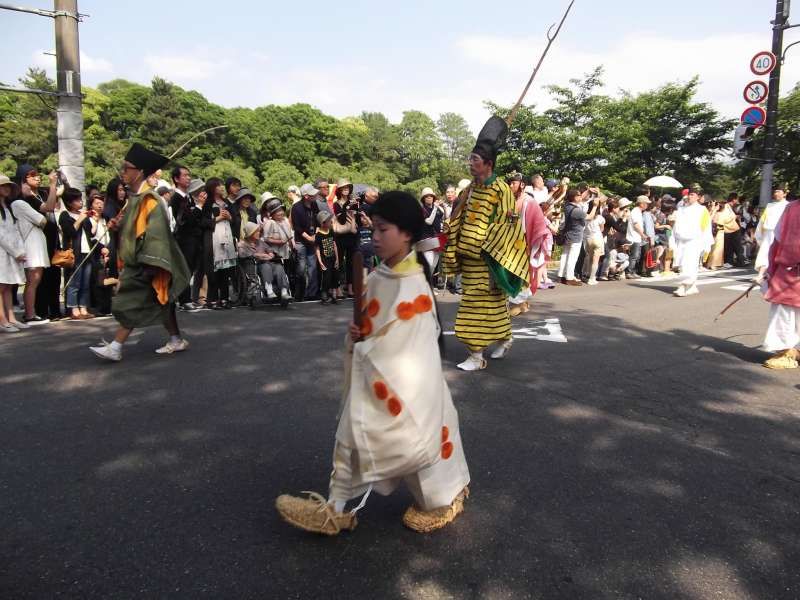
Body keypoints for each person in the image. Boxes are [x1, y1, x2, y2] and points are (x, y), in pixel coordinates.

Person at [275, 190, 470, 535]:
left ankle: (446, 499)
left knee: (416, 443)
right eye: (373, 229)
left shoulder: (414, 290)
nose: (375, 237)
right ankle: (335, 507)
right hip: (388, 381)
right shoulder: (383, 275)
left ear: (407, 234)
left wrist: (365, 347)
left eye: (383, 230)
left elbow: (404, 352)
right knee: (374, 434)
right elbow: (373, 328)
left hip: (406, 386)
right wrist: (358, 333)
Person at [442, 116, 530, 371]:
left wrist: (484, 247)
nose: (470, 164)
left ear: (488, 164)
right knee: (492, 306)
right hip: (468, 260)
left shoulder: (501, 189)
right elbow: (459, 217)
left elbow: (507, 227)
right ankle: (506, 338)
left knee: (475, 307)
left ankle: (476, 356)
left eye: (475, 160)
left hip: (488, 260)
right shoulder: (470, 188)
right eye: (470, 159)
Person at [89, 143, 191, 362]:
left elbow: (156, 235)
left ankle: (116, 346)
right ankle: (175, 339)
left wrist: (152, 264)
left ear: (140, 172)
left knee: (133, 301)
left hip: (147, 262)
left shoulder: (150, 200)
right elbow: (134, 230)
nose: (123, 172)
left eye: (127, 168)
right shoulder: (134, 199)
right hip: (136, 261)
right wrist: (118, 226)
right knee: (162, 302)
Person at [12, 166, 60, 323]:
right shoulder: (20, 201)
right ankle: (30, 314)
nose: (37, 177)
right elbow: (43, 218)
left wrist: (53, 186)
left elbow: (48, 209)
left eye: (37, 174)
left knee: (37, 280)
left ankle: (34, 313)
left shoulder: (38, 196)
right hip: (30, 243)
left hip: (40, 242)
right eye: (32, 175)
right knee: (33, 280)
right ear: (22, 180)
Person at [761, 199, 800, 369]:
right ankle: (787, 351)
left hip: (790, 270)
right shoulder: (791, 208)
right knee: (785, 312)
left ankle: (792, 351)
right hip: (788, 270)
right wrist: (770, 268)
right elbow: (777, 240)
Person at [508, 172, 551, 315]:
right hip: (509, 241)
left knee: (520, 272)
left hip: (524, 242)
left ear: (522, 184)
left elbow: (538, 224)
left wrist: (531, 241)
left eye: (513, 183)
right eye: (509, 183)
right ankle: (521, 303)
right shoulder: (508, 200)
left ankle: (518, 303)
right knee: (511, 272)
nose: (510, 186)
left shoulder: (529, 201)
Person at [58, 189, 95, 320]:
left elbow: (91, 233)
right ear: (69, 202)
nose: (81, 202)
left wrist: (91, 219)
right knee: (75, 281)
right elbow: (70, 232)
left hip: (87, 252)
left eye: (81, 199)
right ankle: (73, 308)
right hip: (75, 253)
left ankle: (83, 307)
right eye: (77, 200)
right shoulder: (65, 215)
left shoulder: (83, 214)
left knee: (85, 282)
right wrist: (79, 219)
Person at [170, 165, 202, 311]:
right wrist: (199, 207)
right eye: (185, 175)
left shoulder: (187, 196)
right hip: (183, 238)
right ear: (176, 179)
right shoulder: (176, 198)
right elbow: (184, 220)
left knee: (190, 268)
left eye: (189, 175)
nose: (188, 178)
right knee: (185, 268)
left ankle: (185, 298)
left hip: (193, 238)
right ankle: (184, 300)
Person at [672, 184, 712, 297]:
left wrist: (706, 243)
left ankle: (683, 286)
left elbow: (706, 227)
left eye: (692, 194)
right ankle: (693, 286)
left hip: (694, 240)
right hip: (682, 239)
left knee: (689, 263)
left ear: (698, 197)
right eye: (689, 194)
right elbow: (677, 225)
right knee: (683, 263)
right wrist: (674, 238)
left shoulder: (702, 210)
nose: (690, 197)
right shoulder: (682, 209)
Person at [0, 174, 28, 333]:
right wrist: (16, 252)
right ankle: (2, 319)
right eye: (3, 186)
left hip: (11, 252)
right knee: (1, 286)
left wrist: (20, 250)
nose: (6, 188)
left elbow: (15, 231)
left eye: (8, 186)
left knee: (9, 285)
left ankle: (11, 317)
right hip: (3, 252)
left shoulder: (8, 208)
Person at [207, 179, 238, 309]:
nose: (221, 188)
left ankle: (225, 297)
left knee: (226, 269)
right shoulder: (208, 203)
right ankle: (213, 298)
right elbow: (203, 222)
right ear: (212, 188)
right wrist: (218, 218)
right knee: (215, 269)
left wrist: (230, 217)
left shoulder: (226, 202)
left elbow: (235, 219)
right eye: (218, 185)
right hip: (214, 237)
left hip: (227, 235)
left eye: (221, 185)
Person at [290, 183, 320, 300]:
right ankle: (300, 293)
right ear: (306, 196)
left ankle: (312, 293)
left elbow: (318, 221)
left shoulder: (314, 204)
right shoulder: (296, 207)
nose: (315, 196)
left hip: (313, 238)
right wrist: (308, 237)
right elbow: (296, 227)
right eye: (312, 194)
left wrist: (315, 235)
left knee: (313, 267)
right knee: (301, 269)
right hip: (301, 241)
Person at [755, 184, 790, 282]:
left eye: (779, 191)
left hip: (782, 234)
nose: (776, 193)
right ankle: (761, 274)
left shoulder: (788, 206)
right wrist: (759, 233)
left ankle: (780, 276)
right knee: (765, 253)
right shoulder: (769, 205)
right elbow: (762, 221)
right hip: (768, 233)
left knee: (781, 255)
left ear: (785, 194)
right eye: (775, 191)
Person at [261, 198, 293, 303]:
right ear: (272, 214)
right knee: (273, 268)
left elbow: (289, 236)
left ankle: (284, 291)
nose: (280, 212)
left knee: (281, 271)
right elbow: (265, 239)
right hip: (272, 254)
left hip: (283, 254)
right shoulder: (270, 222)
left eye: (281, 210)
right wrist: (279, 242)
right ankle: (271, 290)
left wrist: (292, 246)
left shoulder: (285, 222)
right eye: (277, 211)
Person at [557, 188, 591, 286]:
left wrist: (588, 191)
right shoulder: (576, 210)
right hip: (575, 236)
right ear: (575, 197)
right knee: (572, 257)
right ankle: (569, 277)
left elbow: (582, 198)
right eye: (579, 195)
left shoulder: (568, 206)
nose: (581, 197)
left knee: (565, 255)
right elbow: (589, 216)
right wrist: (595, 207)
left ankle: (561, 275)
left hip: (568, 234)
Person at [87, 194, 113, 315]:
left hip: (108, 250)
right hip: (96, 252)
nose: (100, 205)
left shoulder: (106, 218)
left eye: (102, 203)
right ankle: (98, 307)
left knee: (108, 279)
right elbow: (91, 237)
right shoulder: (89, 219)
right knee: (98, 280)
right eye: (97, 203)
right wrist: (101, 248)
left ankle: (107, 306)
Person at [332, 178, 358, 299]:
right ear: (340, 190)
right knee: (340, 263)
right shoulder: (336, 204)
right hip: (341, 236)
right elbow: (341, 219)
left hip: (352, 236)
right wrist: (347, 207)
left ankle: (351, 288)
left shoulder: (354, 202)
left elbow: (356, 219)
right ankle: (338, 288)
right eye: (344, 188)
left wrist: (354, 208)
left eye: (348, 188)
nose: (346, 190)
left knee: (351, 263)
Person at [419, 186, 444, 289]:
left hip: (437, 240)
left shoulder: (436, 208)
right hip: (426, 240)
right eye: (427, 196)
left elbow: (442, 214)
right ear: (423, 199)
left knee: (434, 265)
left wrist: (438, 206)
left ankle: (428, 286)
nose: (429, 198)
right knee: (428, 264)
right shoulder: (422, 210)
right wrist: (435, 208)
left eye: (431, 196)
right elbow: (429, 222)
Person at [315, 210, 339, 304]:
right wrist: (320, 262)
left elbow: (334, 245)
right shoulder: (319, 235)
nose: (331, 222)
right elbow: (317, 249)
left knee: (335, 275)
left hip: (333, 257)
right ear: (323, 223)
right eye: (329, 221)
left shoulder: (331, 231)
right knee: (326, 277)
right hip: (324, 259)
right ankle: (324, 293)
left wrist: (337, 258)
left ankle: (334, 294)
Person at [581, 195, 607, 284]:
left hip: (588, 239)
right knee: (596, 260)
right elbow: (602, 229)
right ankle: (592, 278)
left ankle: (587, 274)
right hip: (597, 238)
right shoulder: (600, 218)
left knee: (590, 258)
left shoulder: (586, 216)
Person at [625, 195, 650, 278]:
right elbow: (636, 225)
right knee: (634, 256)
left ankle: (632, 271)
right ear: (641, 204)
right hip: (633, 237)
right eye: (646, 203)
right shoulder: (635, 211)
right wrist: (642, 234)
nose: (647, 205)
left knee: (636, 256)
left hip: (636, 237)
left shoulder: (638, 212)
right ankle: (629, 272)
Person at [722, 193, 745, 267]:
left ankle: (737, 261)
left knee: (733, 247)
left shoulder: (729, 207)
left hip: (733, 229)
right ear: (734, 199)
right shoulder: (726, 207)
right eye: (737, 199)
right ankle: (733, 261)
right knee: (733, 247)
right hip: (730, 229)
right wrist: (735, 216)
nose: (737, 201)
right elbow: (725, 218)